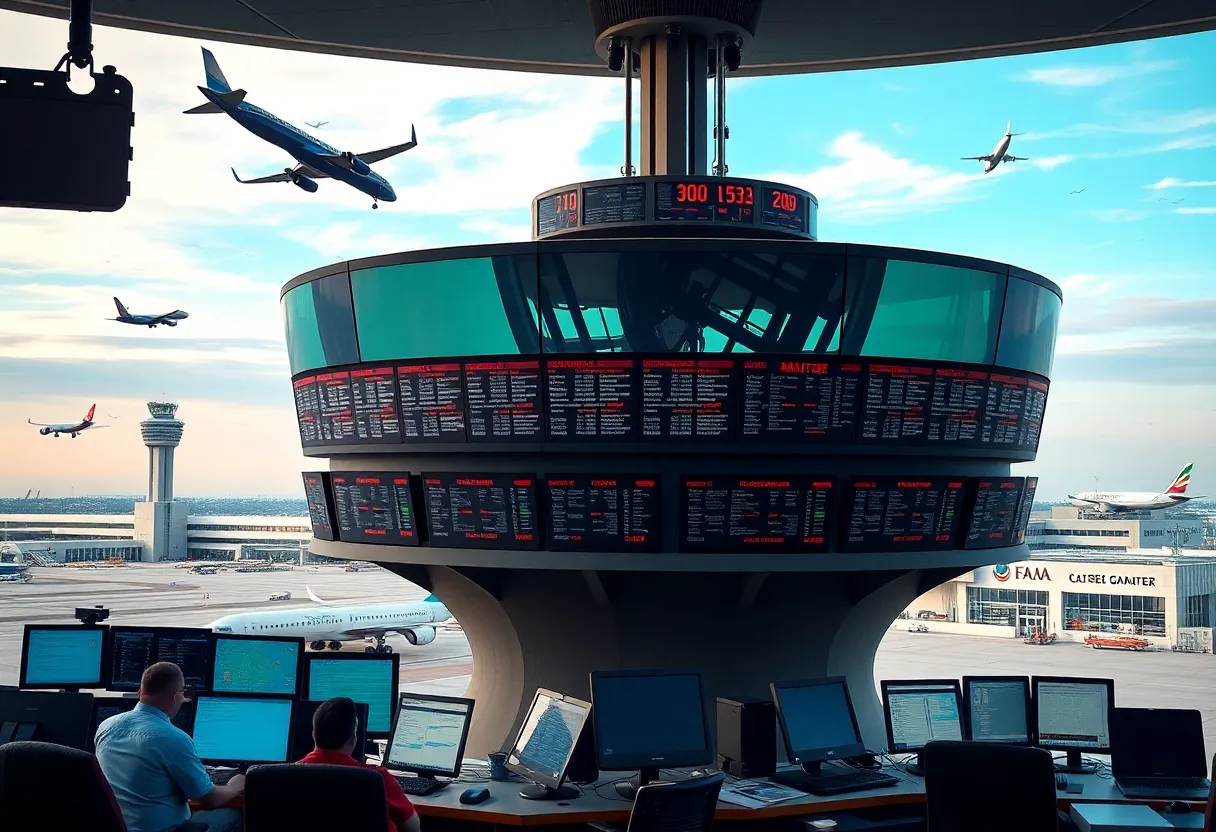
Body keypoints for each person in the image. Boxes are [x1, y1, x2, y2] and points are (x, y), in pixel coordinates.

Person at [94, 662, 245, 832]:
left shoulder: (106, 726)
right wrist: (235, 785)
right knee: (234, 816)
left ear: (140, 692)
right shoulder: (174, 738)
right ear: (176, 697)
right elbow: (210, 799)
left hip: (118, 827)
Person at [299, 697, 421, 832]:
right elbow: (413, 828)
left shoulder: (285, 777)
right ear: (354, 738)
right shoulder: (377, 779)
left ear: (314, 735)